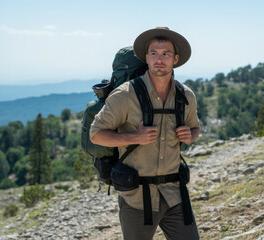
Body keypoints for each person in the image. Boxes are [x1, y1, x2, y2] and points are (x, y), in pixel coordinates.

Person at [90, 27, 200, 240]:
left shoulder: (186, 95)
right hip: (136, 199)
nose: (160, 59)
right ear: (146, 58)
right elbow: (96, 134)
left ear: (175, 59)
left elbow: (195, 128)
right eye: (154, 53)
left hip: (175, 195)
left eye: (166, 54)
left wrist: (190, 135)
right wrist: (134, 138)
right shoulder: (125, 95)